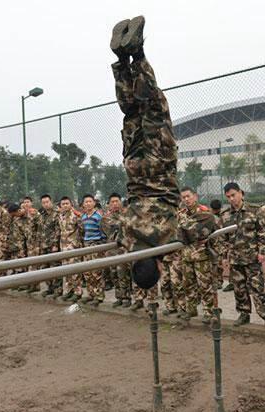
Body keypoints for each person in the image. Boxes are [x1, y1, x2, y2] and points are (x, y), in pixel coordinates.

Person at [110, 16, 179, 289]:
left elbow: (205, 224)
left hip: (158, 168)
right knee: (132, 111)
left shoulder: (170, 240)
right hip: (134, 168)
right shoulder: (126, 240)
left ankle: (136, 52)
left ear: (159, 267)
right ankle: (121, 62)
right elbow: (114, 230)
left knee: (153, 105)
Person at [221, 182, 265, 333]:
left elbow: (263, 233)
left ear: (241, 193)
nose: (231, 199)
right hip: (235, 259)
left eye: (233, 195)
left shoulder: (255, 210)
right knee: (239, 289)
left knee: (258, 289)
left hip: (252, 258)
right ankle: (244, 314)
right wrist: (225, 257)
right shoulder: (225, 215)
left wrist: (262, 252)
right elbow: (224, 239)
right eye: (228, 197)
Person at [178, 187, 218, 324]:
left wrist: (188, 227)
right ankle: (191, 309)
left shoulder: (204, 213)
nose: (186, 199)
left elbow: (204, 232)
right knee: (188, 284)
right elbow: (180, 233)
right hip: (186, 255)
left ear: (195, 196)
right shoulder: (181, 213)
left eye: (188, 196)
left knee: (204, 284)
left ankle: (208, 311)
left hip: (201, 255)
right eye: (183, 197)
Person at [101, 193, 132, 307]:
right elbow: (109, 229)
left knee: (123, 274)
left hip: (123, 250)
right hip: (112, 250)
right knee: (114, 275)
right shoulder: (105, 218)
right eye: (112, 202)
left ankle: (127, 297)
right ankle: (119, 297)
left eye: (117, 201)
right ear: (108, 204)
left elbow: (127, 228)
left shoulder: (127, 215)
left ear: (120, 202)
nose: (115, 204)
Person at [80, 195, 107, 306]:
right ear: (83, 204)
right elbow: (83, 232)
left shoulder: (98, 217)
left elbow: (103, 232)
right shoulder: (83, 217)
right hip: (87, 246)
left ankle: (99, 295)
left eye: (90, 201)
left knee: (97, 272)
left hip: (96, 245)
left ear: (94, 203)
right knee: (87, 272)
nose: (88, 203)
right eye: (86, 202)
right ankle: (90, 294)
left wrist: (101, 246)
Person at [58, 196, 83, 302]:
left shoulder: (76, 216)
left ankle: (78, 292)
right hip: (63, 247)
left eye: (67, 203)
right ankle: (69, 291)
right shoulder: (60, 216)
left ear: (71, 204)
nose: (65, 205)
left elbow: (82, 229)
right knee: (66, 271)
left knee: (75, 271)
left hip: (73, 246)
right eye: (63, 204)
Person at [39, 194, 61, 296]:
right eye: (43, 203)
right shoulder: (42, 215)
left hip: (53, 245)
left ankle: (58, 290)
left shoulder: (57, 213)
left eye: (47, 202)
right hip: (43, 245)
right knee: (45, 268)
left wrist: (55, 244)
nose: (46, 204)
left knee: (55, 267)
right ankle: (50, 288)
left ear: (51, 201)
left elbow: (58, 230)